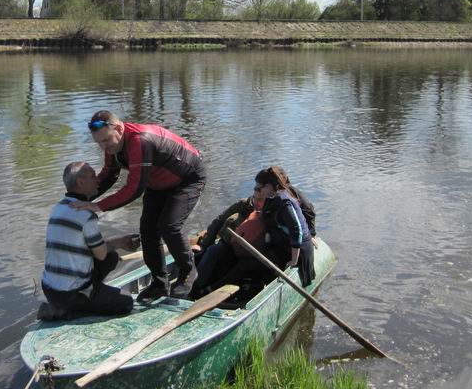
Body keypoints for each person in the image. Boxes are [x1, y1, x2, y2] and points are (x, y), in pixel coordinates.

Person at [73, 111, 206, 301]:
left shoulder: (139, 141)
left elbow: (134, 188)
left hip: (188, 178)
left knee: (169, 226)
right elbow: (109, 175)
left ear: (119, 128)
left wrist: (99, 206)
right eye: (99, 143)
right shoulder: (112, 145)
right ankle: (159, 284)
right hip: (157, 182)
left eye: (106, 140)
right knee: (147, 230)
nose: (104, 146)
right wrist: (80, 198)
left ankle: (188, 272)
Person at [191, 166, 317, 296]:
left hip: (266, 250)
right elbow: (218, 221)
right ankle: (195, 288)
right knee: (213, 252)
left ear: (267, 190)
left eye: (259, 193)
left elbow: (300, 222)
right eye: (254, 194)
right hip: (237, 246)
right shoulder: (246, 205)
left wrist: (311, 235)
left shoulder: (280, 204)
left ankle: (214, 291)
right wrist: (204, 244)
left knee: (247, 266)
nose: (257, 200)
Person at [40, 161, 134, 318]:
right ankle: (67, 310)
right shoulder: (86, 215)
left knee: (112, 257)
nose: (98, 180)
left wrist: (118, 243)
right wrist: (119, 242)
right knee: (126, 301)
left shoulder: (59, 207)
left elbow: (101, 253)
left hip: (50, 290)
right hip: (70, 294)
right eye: (93, 176)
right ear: (80, 182)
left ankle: (88, 295)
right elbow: (101, 254)